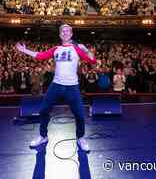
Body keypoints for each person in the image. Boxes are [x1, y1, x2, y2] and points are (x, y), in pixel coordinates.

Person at [15, 24, 96, 152]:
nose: (65, 33)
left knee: (80, 115)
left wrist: (86, 49)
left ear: (71, 34)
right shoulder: (56, 49)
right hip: (56, 85)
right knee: (43, 110)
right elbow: (40, 56)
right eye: (62, 31)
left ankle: (80, 138)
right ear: (60, 35)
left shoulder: (77, 48)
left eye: (67, 31)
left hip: (72, 87)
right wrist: (25, 50)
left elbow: (92, 61)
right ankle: (43, 136)